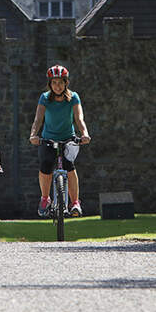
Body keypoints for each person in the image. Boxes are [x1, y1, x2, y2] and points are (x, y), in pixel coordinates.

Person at [28, 64, 91, 217]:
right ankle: (45, 199)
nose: (57, 86)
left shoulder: (73, 97)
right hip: (48, 138)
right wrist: (33, 135)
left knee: (69, 166)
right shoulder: (44, 98)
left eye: (61, 82)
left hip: (68, 138)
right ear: (50, 84)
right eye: (54, 83)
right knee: (46, 165)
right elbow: (38, 119)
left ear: (66, 83)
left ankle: (75, 202)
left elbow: (79, 118)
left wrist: (84, 133)